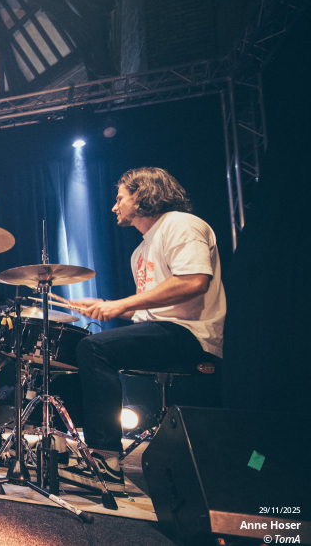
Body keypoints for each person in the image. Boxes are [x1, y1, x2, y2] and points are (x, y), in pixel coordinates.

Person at [63, 167, 226, 492]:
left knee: (93, 348)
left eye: (120, 197)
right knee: (79, 348)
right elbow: (148, 314)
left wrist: (120, 305)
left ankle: (104, 461)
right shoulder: (140, 251)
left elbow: (194, 281)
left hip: (193, 336)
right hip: (165, 331)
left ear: (142, 194)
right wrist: (108, 304)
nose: (114, 206)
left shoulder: (181, 224)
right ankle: (77, 450)